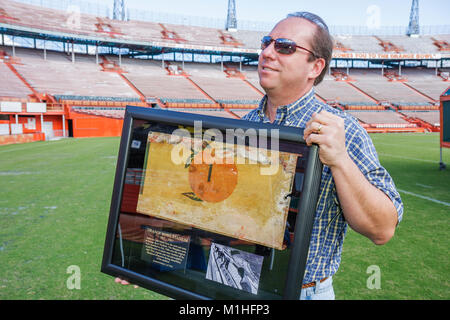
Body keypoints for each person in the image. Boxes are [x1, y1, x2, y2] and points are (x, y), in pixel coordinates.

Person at [241, 12, 403, 300]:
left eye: (285, 47)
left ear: (315, 67)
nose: (267, 52)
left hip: (303, 293)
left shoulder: (343, 132)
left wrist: (340, 159)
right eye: (267, 43)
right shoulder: (243, 125)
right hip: (240, 280)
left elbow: (382, 230)